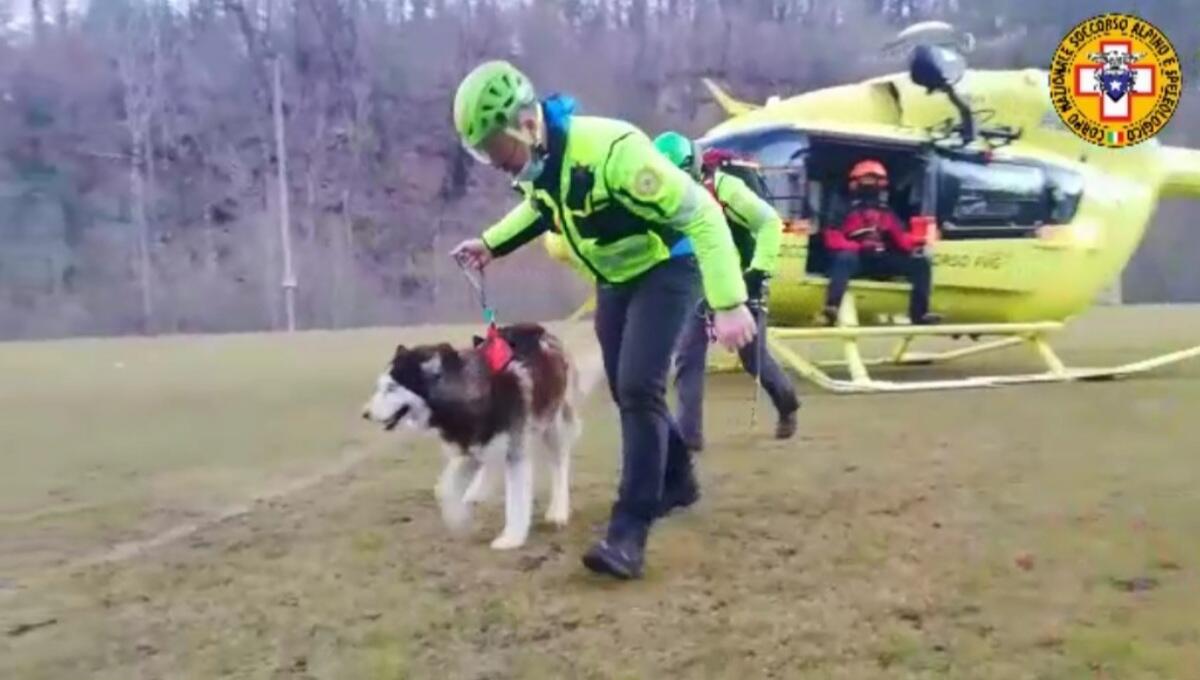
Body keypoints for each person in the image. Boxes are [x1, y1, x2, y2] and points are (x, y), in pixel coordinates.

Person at [448, 61, 756, 580]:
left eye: (497, 150)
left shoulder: (612, 152)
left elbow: (701, 214)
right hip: (617, 280)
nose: (497, 164)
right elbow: (542, 209)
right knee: (627, 386)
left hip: (669, 267)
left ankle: (628, 534)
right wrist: (490, 243)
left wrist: (729, 301)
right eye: (485, 155)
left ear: (527, 123)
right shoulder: (541, 168)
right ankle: (677, 479)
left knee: (639, 387)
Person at [653, 131, 800, 450]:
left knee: (753, 357)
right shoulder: (667, 198)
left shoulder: (725, 188)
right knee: (688, 357)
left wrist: (758, 271)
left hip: (741, 281)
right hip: (699, 282)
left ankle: (787, 403)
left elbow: (769, 223)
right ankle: (689, 437)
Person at [822, 159, 939, 326]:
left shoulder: (886, 212)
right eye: (866, 180)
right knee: (844, 259)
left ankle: (920, 314)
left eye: (875, 180)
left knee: (921, 264)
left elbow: (901, 239)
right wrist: (858, 247)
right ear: (855, 183)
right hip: (855, 260)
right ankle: (832, 307)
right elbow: (831, 238)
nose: (871, 185)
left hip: (880, 259)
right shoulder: (842, 208)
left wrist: (918, 240)